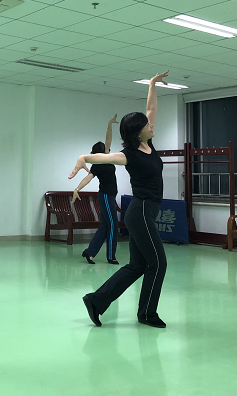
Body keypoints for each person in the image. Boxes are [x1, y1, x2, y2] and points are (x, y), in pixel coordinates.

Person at [69, 72, 170, 329]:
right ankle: (147, 313)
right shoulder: (129, 154)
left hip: (145, 212)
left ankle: (96, 301)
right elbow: (105, 158)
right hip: (141, 211)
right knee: (158, 263)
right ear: (137, 132)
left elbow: (151, 108)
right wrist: (83, 158)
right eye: (146, 125)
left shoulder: (150, 146)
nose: (151, 125)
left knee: (138, 265)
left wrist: (152, 84)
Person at [73, 115, 120, 265]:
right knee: (113, 225)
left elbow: (108, 138)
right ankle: (111, 256)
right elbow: (88, 178)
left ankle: (90, 253)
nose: (106, 150)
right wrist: (77, 189)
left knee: (105, 226)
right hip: (105, 196)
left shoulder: (108, 157)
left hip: (110, 196)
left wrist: (109, 124)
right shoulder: (97, 165)